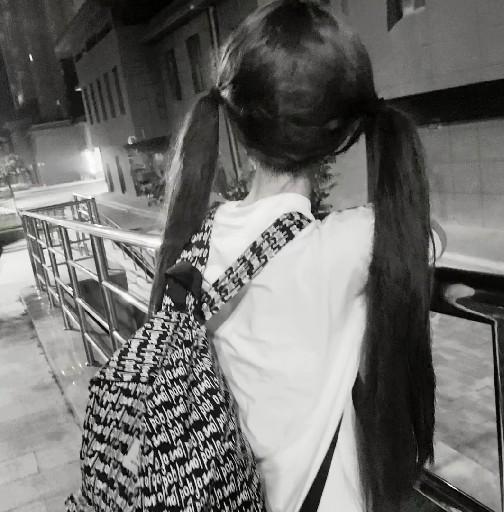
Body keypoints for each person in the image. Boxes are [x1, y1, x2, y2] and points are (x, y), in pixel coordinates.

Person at [149, 1, 437, 511]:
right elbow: (427, 238)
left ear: (236, 123)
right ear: (339, 138)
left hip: (233, 491)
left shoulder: (202, 240)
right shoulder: (347, 245)